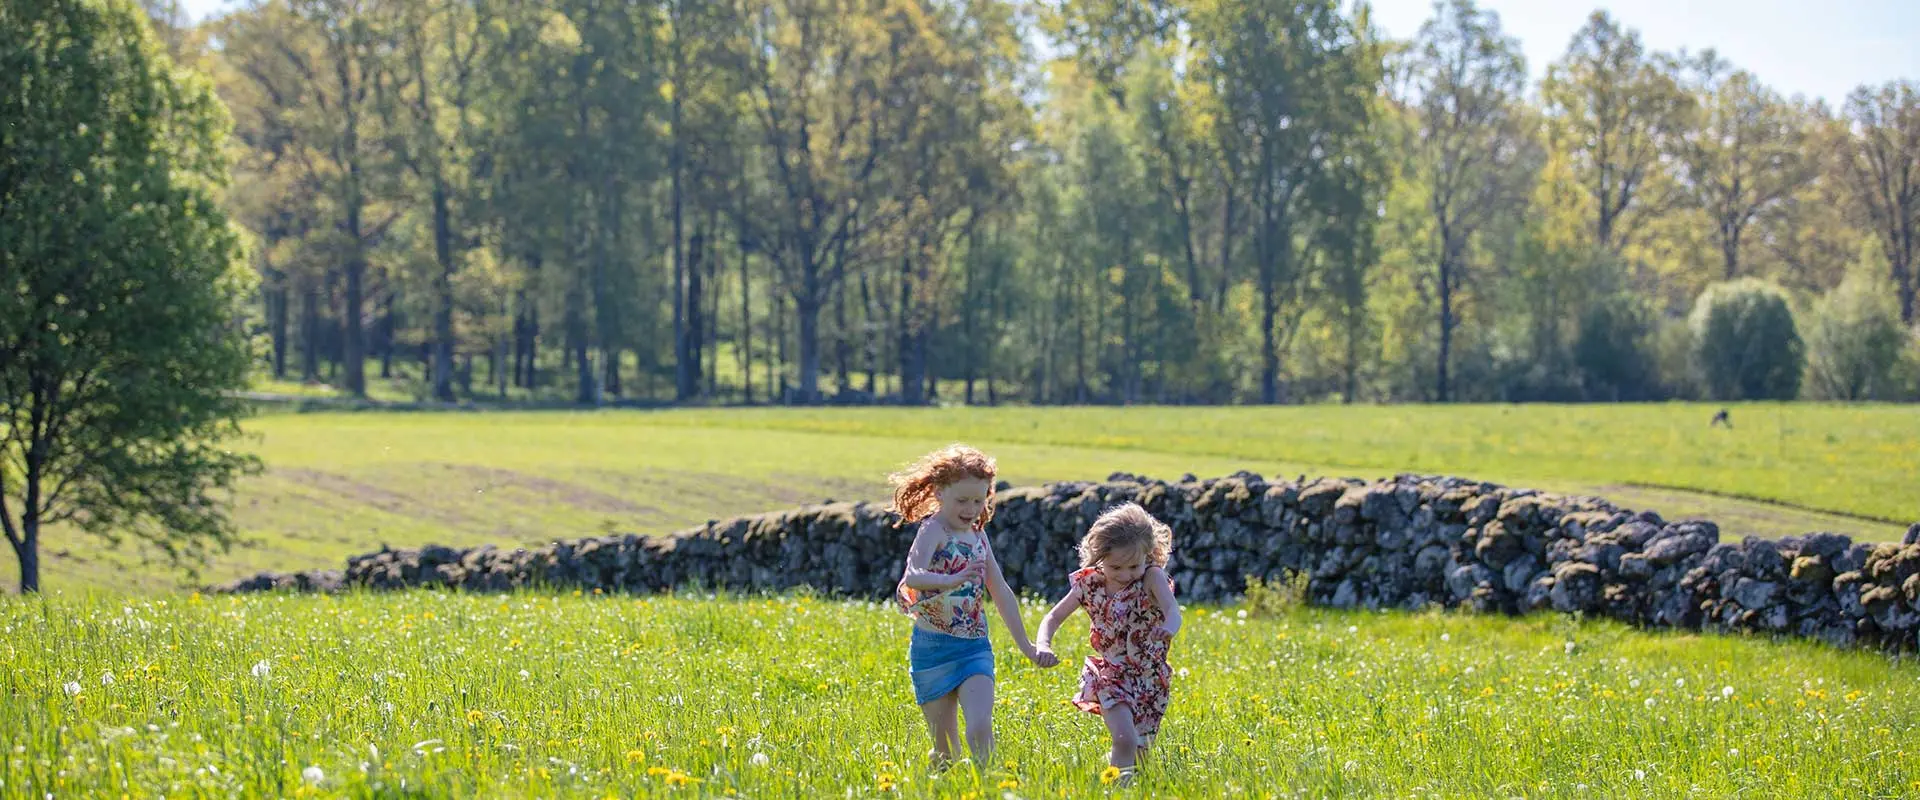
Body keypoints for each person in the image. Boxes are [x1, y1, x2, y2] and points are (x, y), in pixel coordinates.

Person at [890, 444, 1056, 772]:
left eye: (979, 500)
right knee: (946, 753)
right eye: (962, 500)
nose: (971, 508)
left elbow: (1002, 592)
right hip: (932, 650)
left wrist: (1028, 647)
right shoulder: (933, 529)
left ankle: (993, 788)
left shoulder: (979, 536)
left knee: (980, 727)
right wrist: (949, 580)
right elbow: (914, 576)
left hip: (974, 648)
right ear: (939, 492)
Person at [1035, 502, 1181, 785]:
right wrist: (1044, 644)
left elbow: (1173, 610)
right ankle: (1114, 791)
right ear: (1098, 556)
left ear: (1148, 555)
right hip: (1111, 674)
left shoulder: (1152, 577)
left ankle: (1127, 786)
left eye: (1133, 566)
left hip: (1151, 678)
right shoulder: (1090, 584)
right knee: (1125, 739)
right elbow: (1053, 617)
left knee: (1140, 753)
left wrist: (1168, 628)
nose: (1126, 574)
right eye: (1116, 567)